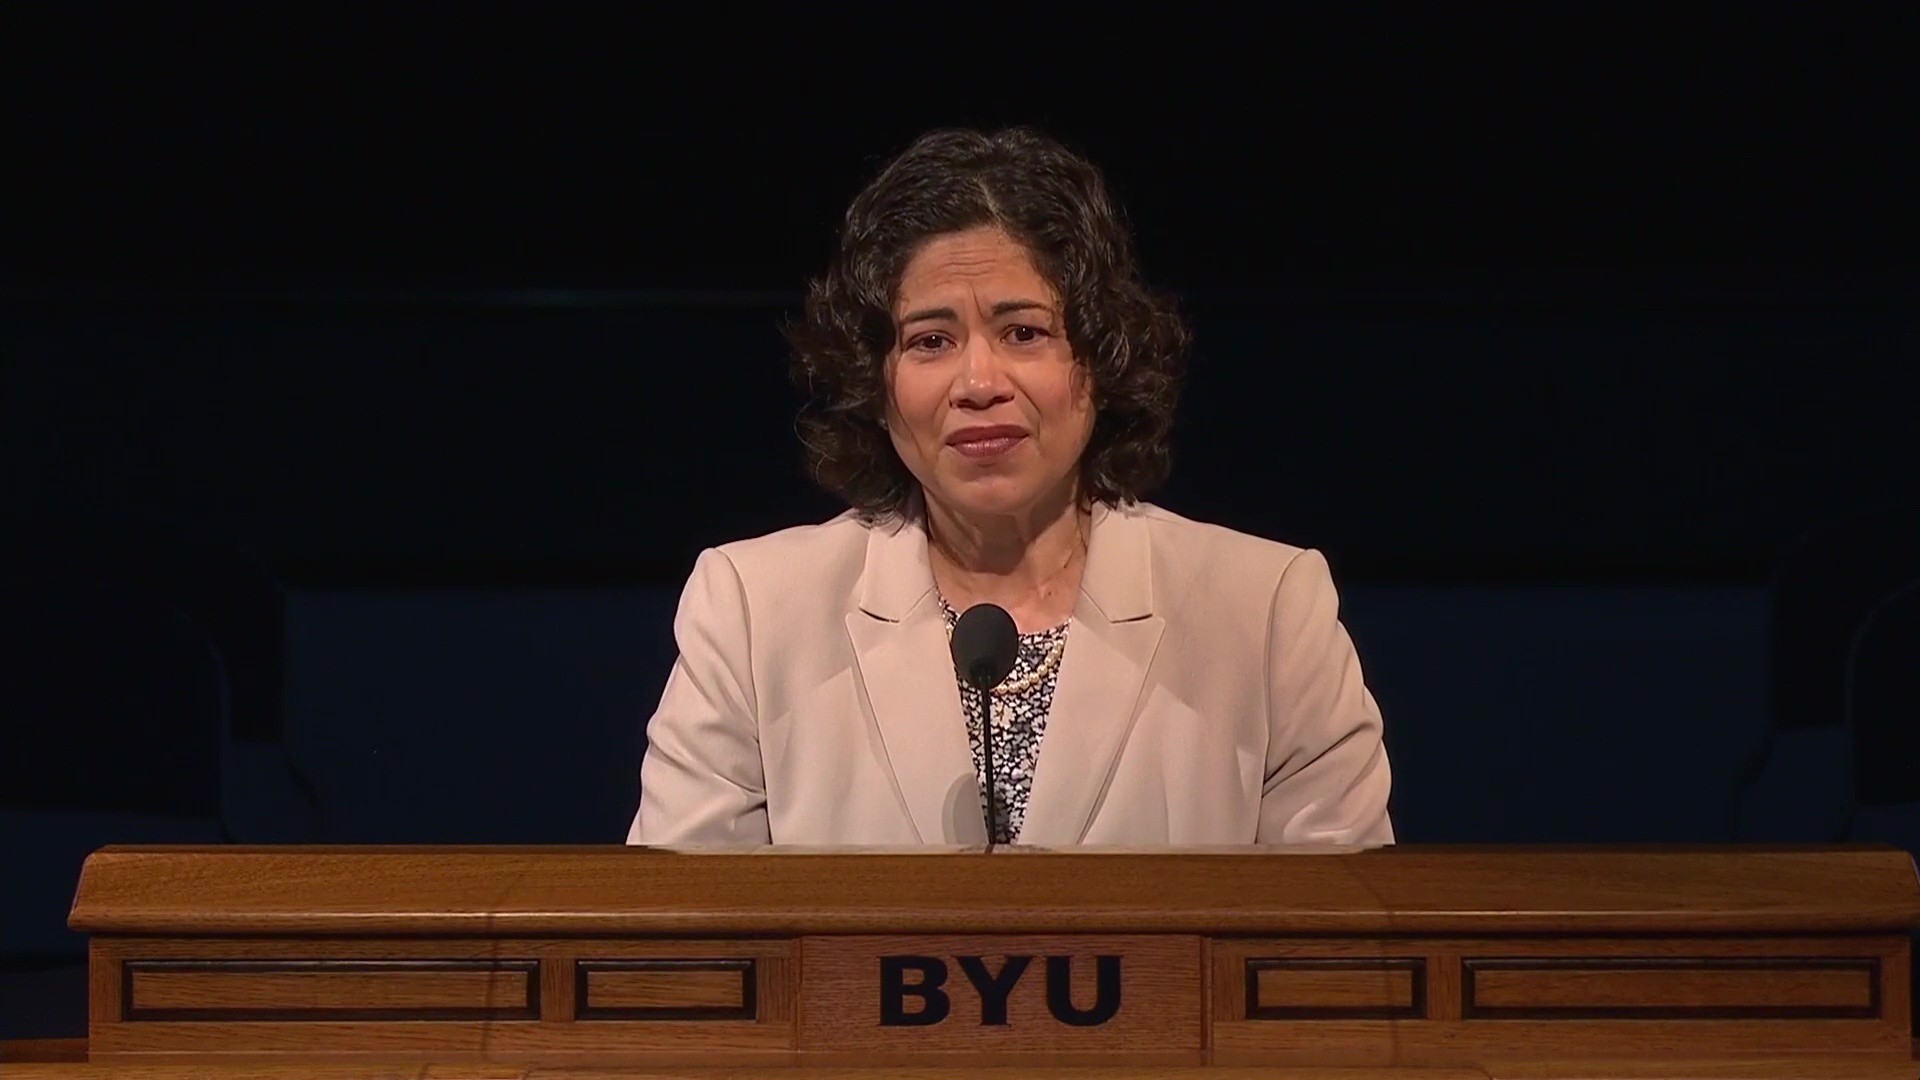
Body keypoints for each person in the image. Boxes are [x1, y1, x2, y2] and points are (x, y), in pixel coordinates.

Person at [628, 127, 1392, 847]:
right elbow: (673, 926)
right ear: (875, 382)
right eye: (931, 341)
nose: (978, 382)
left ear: (1101, 359)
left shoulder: (1266, 612)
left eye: (1023, 332)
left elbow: (1342, 929)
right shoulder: (753, 612)